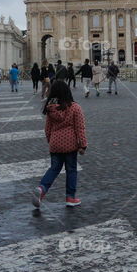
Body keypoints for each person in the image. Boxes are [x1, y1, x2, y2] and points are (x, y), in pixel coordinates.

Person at [31, 80, 87, 209]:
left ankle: (42, 188)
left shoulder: (50, 109)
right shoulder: (75, 107)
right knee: (71, 170)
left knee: (54, 169)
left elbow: (47, 129)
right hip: (70, 144)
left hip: (55, 143)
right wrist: (82, 145)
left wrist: (51, 142)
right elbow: (80, 128)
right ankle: (70, 197)